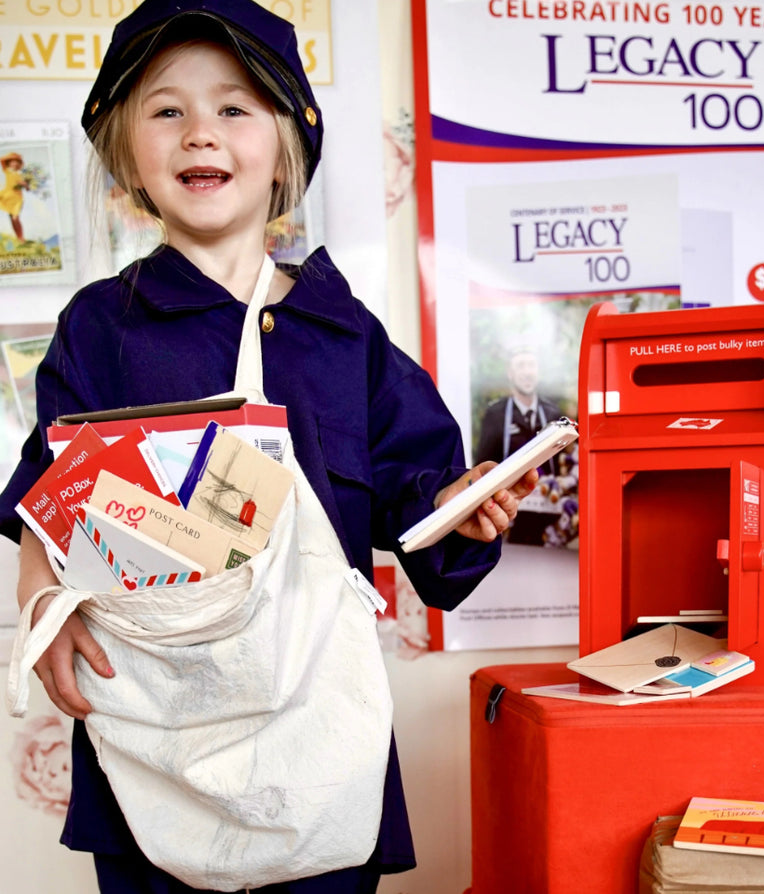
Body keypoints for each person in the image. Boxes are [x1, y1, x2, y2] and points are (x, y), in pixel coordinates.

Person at [0, 1, 538, 891]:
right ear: (126, 155)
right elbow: (49, 502)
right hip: (149, 730)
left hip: (316, 734)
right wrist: (41, 601)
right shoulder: (101, 327)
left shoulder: (344, 335)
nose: (199, 132)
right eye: (166, 110)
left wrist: (464, 509)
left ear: (284, 150)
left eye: (235, 108)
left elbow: (422, 506)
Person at [475, 346, 563, 471]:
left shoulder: (552, 413)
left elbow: (564, 464)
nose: (527, 372)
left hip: (548, 489)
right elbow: (483, 467)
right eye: (520, 366)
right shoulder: (496, 415)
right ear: (510, 374)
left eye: (532, 365)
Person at [0, 151, 30, 243]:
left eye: (16, 162)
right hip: (7, 197)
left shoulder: (20, 175)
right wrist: (10, 156)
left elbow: (26, 186)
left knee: (15, 218)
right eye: (12, 161)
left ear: (19, 164)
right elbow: (1, 160)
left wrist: (26, 185)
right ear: (9, 163)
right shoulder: (7, 171)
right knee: (12, 219)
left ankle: (21, 237)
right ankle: (19, 238)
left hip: (17, 199)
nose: (14, 163)